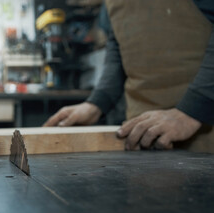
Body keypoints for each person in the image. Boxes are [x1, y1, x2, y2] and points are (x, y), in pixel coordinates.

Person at [44, 0, 214, 153]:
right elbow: (119, 45)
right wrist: (97, 103)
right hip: (140, 135)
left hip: (202, 130)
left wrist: (192, 110)